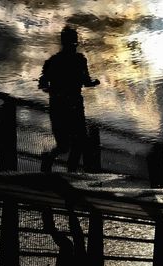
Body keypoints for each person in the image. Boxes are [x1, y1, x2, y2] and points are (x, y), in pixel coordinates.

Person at [39, 26, 100, 172]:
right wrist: (94, 83)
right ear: (75, 42)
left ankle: (53, 161)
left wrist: (53, 91)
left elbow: (42, 83)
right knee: (77, 141)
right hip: (73, 105)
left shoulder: (53, 61)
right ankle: (68, 170)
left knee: (65, 144)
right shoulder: (79, 60)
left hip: (58, 105)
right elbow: (86, 82)